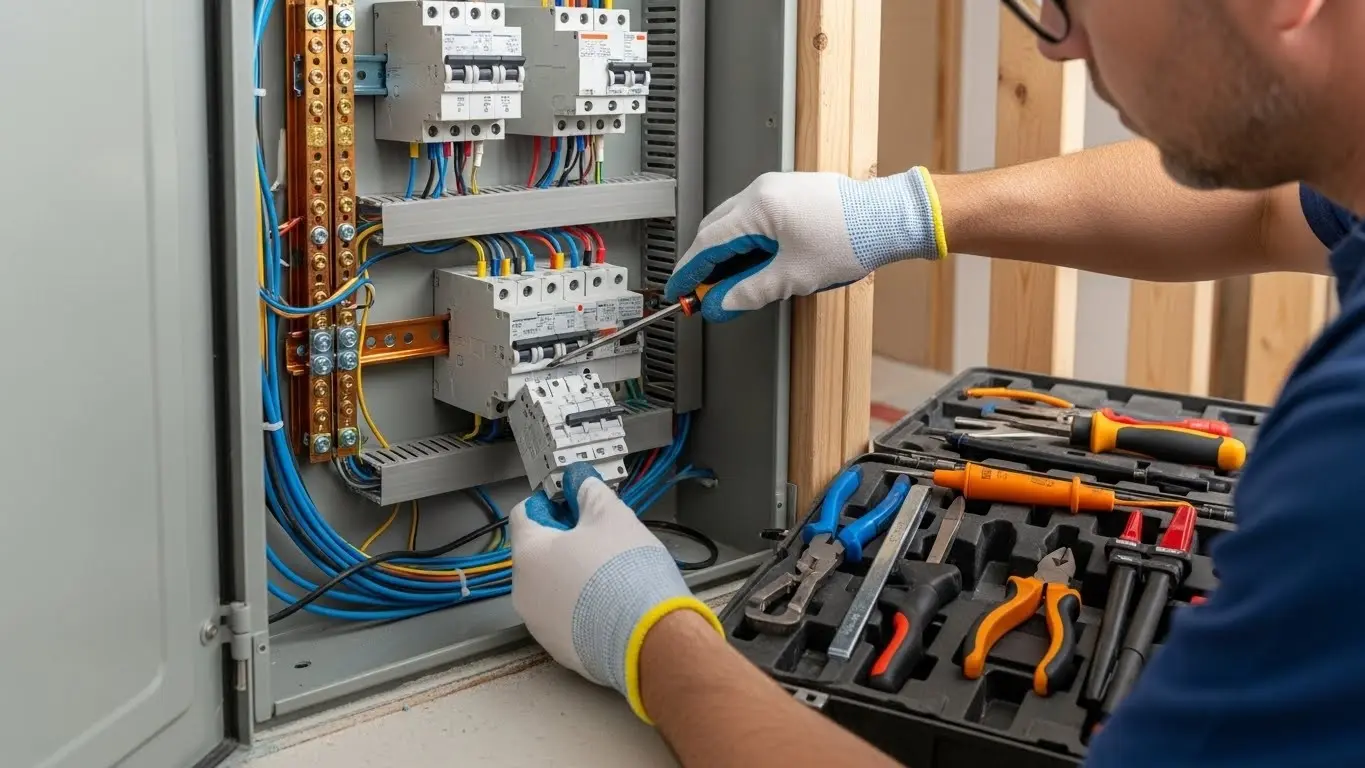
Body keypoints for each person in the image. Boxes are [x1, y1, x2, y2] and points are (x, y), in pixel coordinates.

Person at [509, 0, 1365, 764]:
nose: (1056, 45)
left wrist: (653, 641)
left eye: (1068, 1)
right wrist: (903, 213)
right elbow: (1265, 208)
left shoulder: (1344, 456)